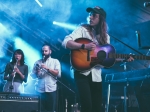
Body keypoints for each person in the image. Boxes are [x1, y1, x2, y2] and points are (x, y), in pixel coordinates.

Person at [62, 6, 134, 112]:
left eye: (93, 15)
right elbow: (65, 42)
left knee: (97, 108)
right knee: (87, 107)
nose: (90, 17)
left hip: (96, 76)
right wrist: (83, 46)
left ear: (101, 19)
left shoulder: (106, 37)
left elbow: (105, 60)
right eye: (89, 14)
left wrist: (123, 59)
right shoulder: (82, 29)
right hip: (81, 73)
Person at [30, 44, 61, 112]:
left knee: (51, 110)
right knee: (39, 109)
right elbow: (32, 76)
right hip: (39, 90)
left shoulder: (55, 61)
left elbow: (58, 74)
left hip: (51, 90)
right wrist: (37, 72)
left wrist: (47, 68)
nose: (44, 53)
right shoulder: (37, 62)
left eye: (46, 51)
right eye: (42, 51)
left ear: (50, 51)